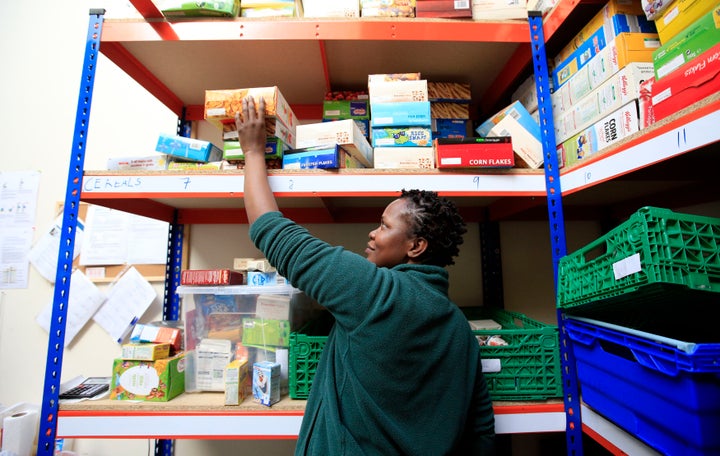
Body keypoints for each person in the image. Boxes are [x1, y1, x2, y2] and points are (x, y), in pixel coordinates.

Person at [237, 95, 496, 455]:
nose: (373, 233)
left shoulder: (374, 293)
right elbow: (481, 429)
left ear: (416, 247)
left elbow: (272, 231)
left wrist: (252, 152)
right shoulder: (459, 330)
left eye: (384, 226)